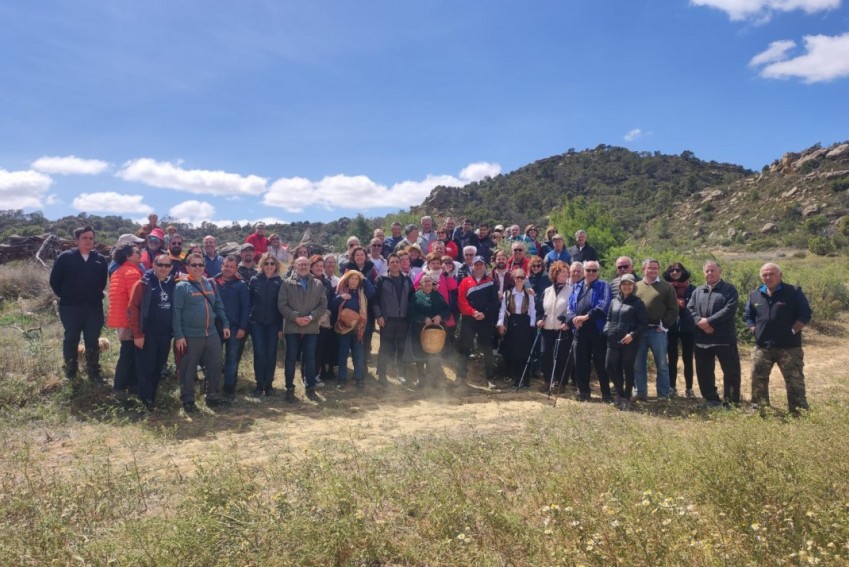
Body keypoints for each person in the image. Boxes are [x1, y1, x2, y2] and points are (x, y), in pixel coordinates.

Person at [745, 262, 812, 414]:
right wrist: (754, 330)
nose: (768, 277)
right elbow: (749, 316)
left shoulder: (793, 292)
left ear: (780, 275)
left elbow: (805, 314)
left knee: (794, 380)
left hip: (789, 347)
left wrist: (793, 331)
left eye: (771, 274)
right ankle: (759, 409)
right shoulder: (755, 294)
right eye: (764, 275)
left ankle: (799, 410)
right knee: (758, 379)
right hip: (762, 347)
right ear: (761, 277)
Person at [172, 253, 230, 413]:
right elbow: (176, 312)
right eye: (194, 265)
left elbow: (219, 305)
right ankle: (188, 400)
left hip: (211, 332)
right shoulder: (181, 287)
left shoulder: (211, 283)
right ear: (188, 267)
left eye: (200, 265)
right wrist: (179, 335)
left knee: (215, 365)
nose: (197, 268)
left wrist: (225, 324)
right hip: (190, 334)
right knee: (188, 368)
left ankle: (212, 395)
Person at [50, 226, 109, 381]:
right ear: (77, 240)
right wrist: (68, 296)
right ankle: (71, 371)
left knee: (92, 340)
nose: (88, 241)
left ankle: (93, 372)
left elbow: (102, 282)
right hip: (70, 307)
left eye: (91, 238)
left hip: (93, 307)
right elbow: (54, 281)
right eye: (85, 238)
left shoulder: (100, 259)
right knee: (71, 339)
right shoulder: (65, 257)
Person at [687, 261, 741, 406]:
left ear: (719, 271)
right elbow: (690, 308)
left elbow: (729, 309)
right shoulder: (698, 291)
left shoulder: (729, 289)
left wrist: (709, 321)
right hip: (702, 339)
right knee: (704, 372)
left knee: (731, 371)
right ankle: (711, 399)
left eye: (712, 270)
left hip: (723, 338)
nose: (709, 273)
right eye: (707, 271)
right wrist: (700, 322)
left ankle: (731, 401)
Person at [129, 253, 176, 411]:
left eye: (167, 265)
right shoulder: (143, 284)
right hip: (147, 334)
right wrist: (137, 334)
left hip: (165, 335)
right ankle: (144, 402)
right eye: (160, 265)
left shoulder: (172, 284)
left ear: (171, 268)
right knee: (145, 368)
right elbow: (133, 309)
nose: (163, 268)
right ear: (154, 266)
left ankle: (152, 399)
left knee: (158, 367)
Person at [278, 256, 328, 402]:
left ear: (310, 266)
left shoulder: (318, 284)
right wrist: (296, 317)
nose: (303, 267)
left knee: (310, 358)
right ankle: (289, 389)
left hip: (311, 327)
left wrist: (311, 317)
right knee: (291, 358)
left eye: (306, 264)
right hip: (292, 327)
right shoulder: (286, 284)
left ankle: (311, 388)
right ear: (295, 266)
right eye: (300, 264)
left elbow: (323, 305)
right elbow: (282, 305)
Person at [566, 260, 612, 402]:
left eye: (594, 270)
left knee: (601, 363)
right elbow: (569, 307)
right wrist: (573, 318)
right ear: (584, 271)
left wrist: (586, 317)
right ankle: (583, 393)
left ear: (598, 272)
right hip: (580, 330)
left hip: (597, 330)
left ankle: (606, 394)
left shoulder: (603, 285)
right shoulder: (576, 286)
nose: (591, 273)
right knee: (580, 363)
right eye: (588, 270)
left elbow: (604, 305)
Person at [633, 258, 677, 401]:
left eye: (655, 268)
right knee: (638, 364)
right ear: (643, 270)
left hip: (657, 332)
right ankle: (640, 392)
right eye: (650, 268)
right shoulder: (636, 286)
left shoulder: (666, 287)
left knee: (662, 365)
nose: (653, 270)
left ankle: (663, 395)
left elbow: (673, 309)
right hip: (639, 332)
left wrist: (663, 326)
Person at [603, 273, 647, 408]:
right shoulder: (614, 301)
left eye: (629, 284)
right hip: (613, 340)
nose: (626, 287)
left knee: (628, 369)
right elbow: (609, 318)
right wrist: (606, 329)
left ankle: (626, 398)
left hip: (629, 342)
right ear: (620, 285)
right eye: (624, 284)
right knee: (610, 367)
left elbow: (643, 324)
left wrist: (632, 335)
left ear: (633, 286)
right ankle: (620, 393)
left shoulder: (638, 303)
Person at [107, 243, 144, 399]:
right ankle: (120, 388)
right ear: (128, 256)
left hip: (120, 320)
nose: (140, 253)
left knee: (127, 353)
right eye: (137, 252)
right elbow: (136, 301)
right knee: (129, 355)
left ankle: (128, 386)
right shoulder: (132, 273)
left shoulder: (117, 271)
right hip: (129, 321)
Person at [457, 256, 500, 389]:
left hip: (485, 320)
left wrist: (484, 314)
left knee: (487, 349)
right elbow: (461, 301)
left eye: (481, 264)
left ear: (485, 267)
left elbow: (494, 302)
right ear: (472, 267)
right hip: (469, 319)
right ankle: (461, 377)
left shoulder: (491, 282)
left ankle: (490, 378)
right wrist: (473, 312)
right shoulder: (465, 281)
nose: (479, 267)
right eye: (476, 265)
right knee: (464, 348)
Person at [373, 253, 415, 386]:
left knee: (401, 348)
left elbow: (412, 299)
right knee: (385, 348)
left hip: (403, 319)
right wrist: (378, 316)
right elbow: (375, 300)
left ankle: (401, 374)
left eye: (398, 261)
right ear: (388, 264)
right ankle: (382, 374)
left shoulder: (407, 280)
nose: (395, 264)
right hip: (387, 319)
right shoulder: (381, 279)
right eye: (393, 262)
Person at [249, 253, 285, 397]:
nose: (269, 266)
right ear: (262, 265)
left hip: (273, 324)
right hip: (257, 323)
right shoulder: (254, 280)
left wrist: (281, 327)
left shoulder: (280, 282)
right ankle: (259, 384)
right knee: (259, 354)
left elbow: (282, 306)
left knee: (271, 354)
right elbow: (249, 301)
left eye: (272, 263)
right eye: (266, 263)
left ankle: (268, 384)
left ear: (275, 265)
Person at [214, 255, 249, 396]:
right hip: (215, 327)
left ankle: (229, 386)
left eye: (231, 267)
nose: (228, 269)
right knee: (214, 359)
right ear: (221, 266)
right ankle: (212, 386)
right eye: (226, 266)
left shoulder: (241, 285)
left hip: (235, 328)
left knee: (232, 358)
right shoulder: (213, 282)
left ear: (236, 269)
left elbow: (246, 307)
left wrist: (242, 327)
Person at [409, 274, 451, 388]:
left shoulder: (438, 296)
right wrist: (423, 318)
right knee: (420, 354)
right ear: (421, 284)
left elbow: (447, 310)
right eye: (425, 281)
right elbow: (411, 311)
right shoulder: (416, 296)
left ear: (433, 284)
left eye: (429, 281)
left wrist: (440, 317)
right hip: (419, 330)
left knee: (434, 355)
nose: (427, 283)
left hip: (436, 331)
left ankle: (432, 379)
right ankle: (421, 379)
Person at [332, 270, 373, 389]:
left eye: (357, 279)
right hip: (344, 328)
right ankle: (342, 379)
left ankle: (359, 377)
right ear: (347, 279)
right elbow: (332, 305)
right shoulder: (341, 291)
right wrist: (340, 297)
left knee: (358, 354)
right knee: (343, 354)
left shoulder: (362, 292)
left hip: (358, 328)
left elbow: (372, 292)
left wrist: (363, 277)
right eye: (352, 278)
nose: (354, 281)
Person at [497, 269, 537, 388]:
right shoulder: (507, 293)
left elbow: (532, 310)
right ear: (514, 279)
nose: (519, 280)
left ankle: (525, 380)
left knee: (524, 353)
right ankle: (517, 379)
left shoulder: (529, 294)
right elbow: (502, 310)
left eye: (522, 277)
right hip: (512, 323)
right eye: (517, 277)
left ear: (525, 279)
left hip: (525, 323)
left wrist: (532, 325)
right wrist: (500, 324)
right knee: (514, 353)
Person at [536, 261, 571, 390]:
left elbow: (573, 309)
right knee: (545, 354)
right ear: (555, 273)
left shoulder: (571, 291)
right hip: (547, 328)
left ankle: (560, 382)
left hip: (563, 329)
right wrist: (539, 319)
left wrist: (568, 322)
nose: (566, 274)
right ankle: (547, 381)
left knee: (561, 356)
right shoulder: (547, 291)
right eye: (563, 272)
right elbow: (540, 309)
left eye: (567, 272)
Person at [664, 262, 696, 397]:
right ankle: (672, 387)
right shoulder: (665, 288)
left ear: (683, 272)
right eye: (672, 270)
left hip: (688, 327)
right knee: (672, 358)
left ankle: (689, 388)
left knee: (688, 359)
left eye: (678, 270)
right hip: (671, 327)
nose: (675, 272)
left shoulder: (692, 288)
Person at [310, 255, 338, 383]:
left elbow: (330, 301)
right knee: (309, 349)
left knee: (320, 348)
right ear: (311, 267)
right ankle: (307, 376)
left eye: (321, 266)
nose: (320, 268)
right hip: (308, 320)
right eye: (318, 266)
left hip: (323, 321)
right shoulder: (306, 280)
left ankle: (316, 375)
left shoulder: (327, 283)